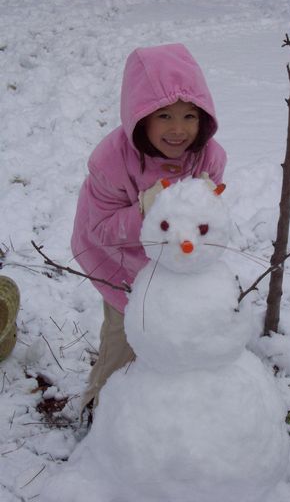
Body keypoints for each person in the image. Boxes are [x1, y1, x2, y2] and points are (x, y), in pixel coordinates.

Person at [71, 43, 227, 419]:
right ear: (141, 117)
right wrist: (144, 208)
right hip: (118, 266)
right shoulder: (112, 160)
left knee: (170, 337)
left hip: (173, 268)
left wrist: (206, 208)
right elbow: (101, 229)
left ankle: (158, 410)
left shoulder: (209, 156)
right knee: (123, 340)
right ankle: (99, 405)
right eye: (164, 116)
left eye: (190, 115)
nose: (179, 130)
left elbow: (212, 222)